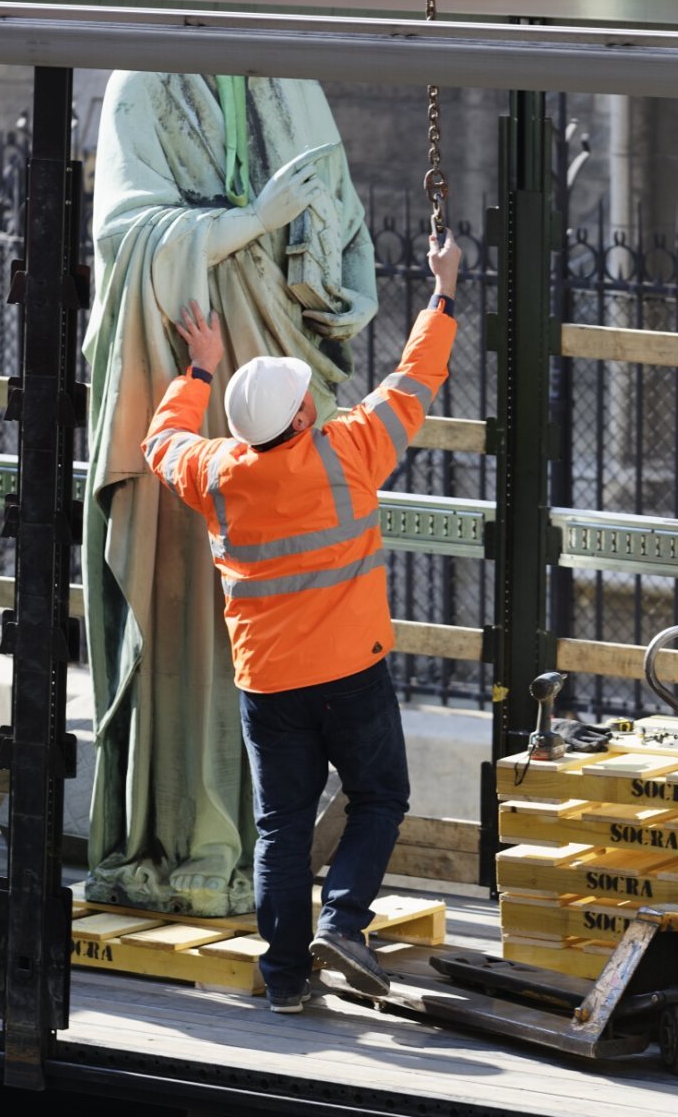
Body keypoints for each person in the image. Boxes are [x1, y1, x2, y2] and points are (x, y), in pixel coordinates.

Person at [141, 226, 462, 1011]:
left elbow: (160, 442)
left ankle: (284, 981)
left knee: (281, 826)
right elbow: (415, 378)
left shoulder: (218, 475)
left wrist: (198, 368)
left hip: (268, 685)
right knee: (379, 797)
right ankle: (344, 924)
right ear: (298, 417)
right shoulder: (348, 449)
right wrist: (444, 289)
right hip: (351, 671)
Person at [82, 73, 377, 917]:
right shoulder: (143, 79)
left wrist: (303, 244)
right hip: (315, 630)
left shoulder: (292, 79)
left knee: (244, 671)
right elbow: (125, 235)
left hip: (221, 368)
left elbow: (340, 247)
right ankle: (198, 837)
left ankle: (264, 895)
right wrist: (253, 222)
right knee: (187, 627)